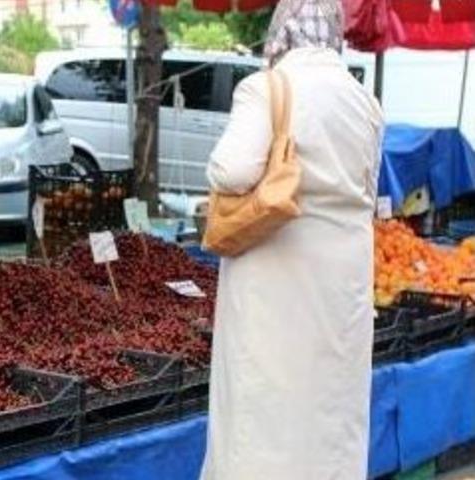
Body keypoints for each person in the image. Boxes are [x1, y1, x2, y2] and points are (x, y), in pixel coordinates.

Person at [200, 0, 384, 478]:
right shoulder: (364, 101)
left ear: (281, 30)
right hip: (343, 283)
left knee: (266, 408)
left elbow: (234, 170)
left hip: (275, 279)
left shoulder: (266, 88)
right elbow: (368, 186)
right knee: (331, 406)